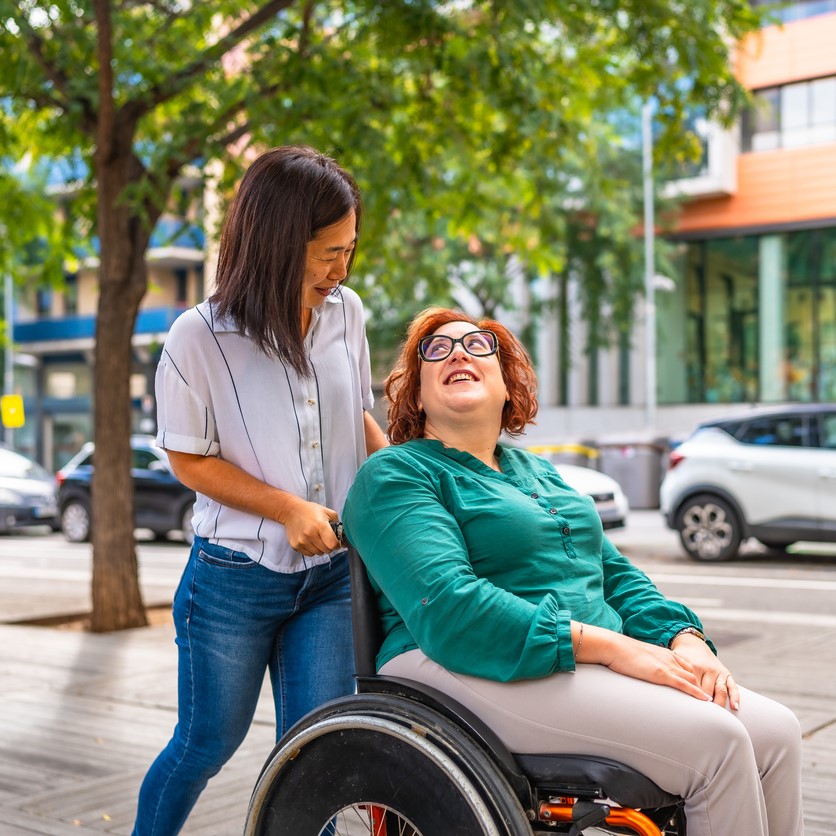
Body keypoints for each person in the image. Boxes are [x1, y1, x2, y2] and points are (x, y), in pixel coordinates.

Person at [343, 306, 804, 836]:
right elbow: (450, 606)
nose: (459, 352)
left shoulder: (538, 471)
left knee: (777, 733)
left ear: (507, 386)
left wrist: (683, 638)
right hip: (458, 661)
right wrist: (616, 648)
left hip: (576, 660)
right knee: (717, 745)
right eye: (436, 350)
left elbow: (614, 573)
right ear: (417, 396)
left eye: (477, 345)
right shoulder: (397, 473)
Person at [133, 146, 388, 835]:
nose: (342, 270)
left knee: (315, 758)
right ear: (276, 245)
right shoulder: (197, 339)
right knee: (205, 744)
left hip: (332, 576)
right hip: (232, 579)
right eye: (327, 253)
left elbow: (354, 411)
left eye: (350, 250)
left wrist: (399, 475)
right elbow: (189, 459)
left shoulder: (346, 312)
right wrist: (286, 508)